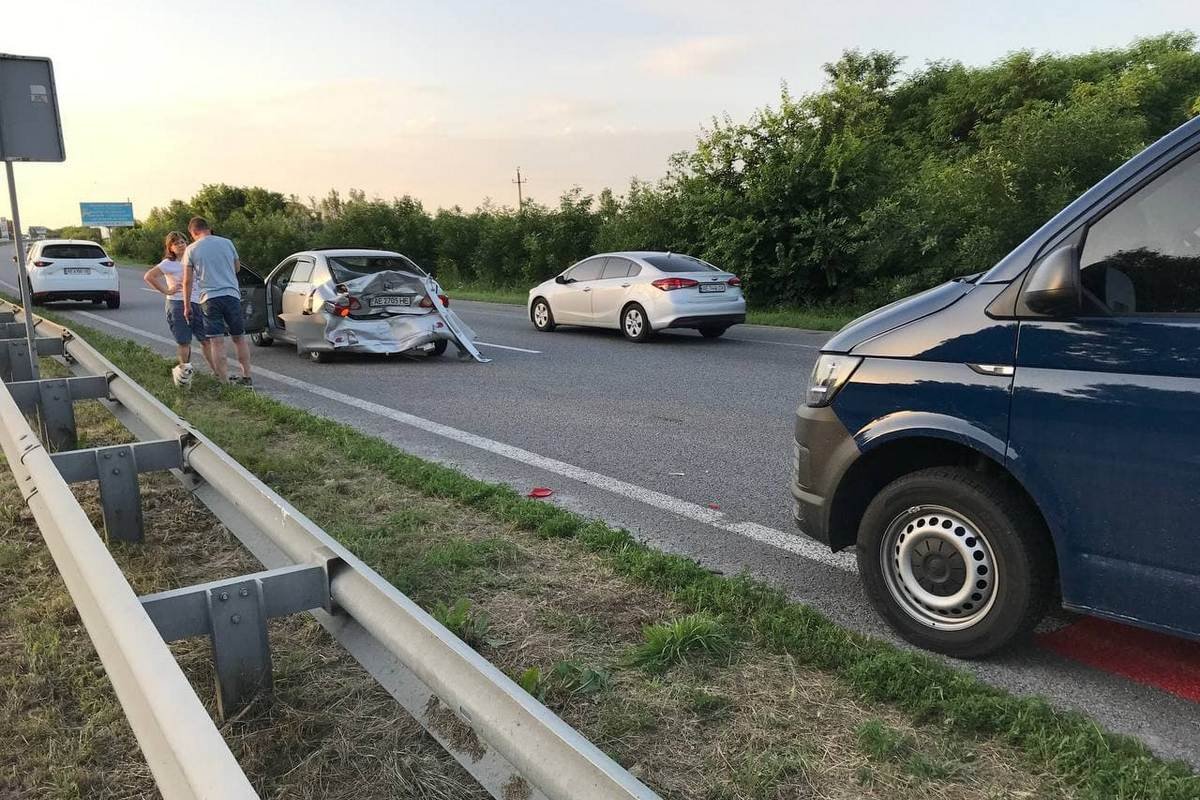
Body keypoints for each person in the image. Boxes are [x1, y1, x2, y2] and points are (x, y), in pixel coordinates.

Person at [180, 216, 252, 385]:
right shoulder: (227, 243)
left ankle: (224, 381)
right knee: (239, 338)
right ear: (208, 228)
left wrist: (186, 305)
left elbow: (187, 281)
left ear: (193, 232)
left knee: (216, 341)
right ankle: (247, 377)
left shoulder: (191, 249)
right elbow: (237, 267)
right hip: (232, 295)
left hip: (209, 298)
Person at [142, 231, 217, 386]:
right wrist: (166, 290)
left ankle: (216, 372)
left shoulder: (194, 259)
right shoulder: (168, 264)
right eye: (176, 243)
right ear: (170, 248)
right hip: (177, 303)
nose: (181, 245)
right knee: (184, 342)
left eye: (182, 241)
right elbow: (149, 276)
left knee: (206, 340)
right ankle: (184, 376)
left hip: (198, 302)